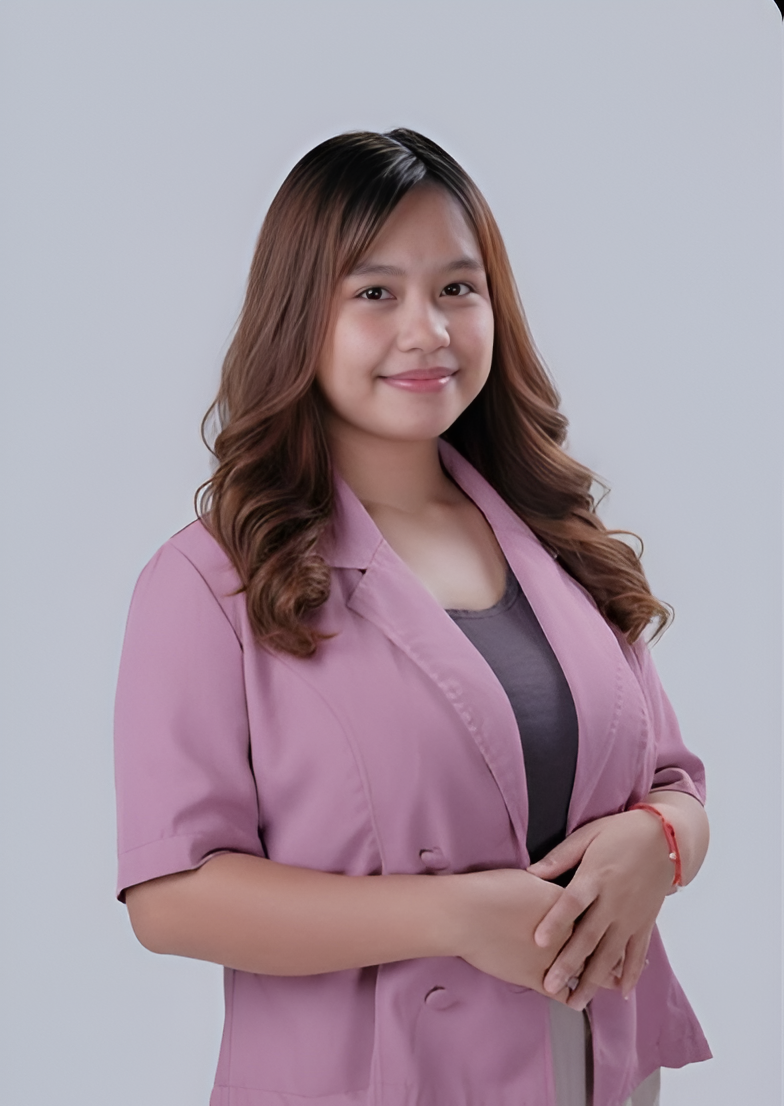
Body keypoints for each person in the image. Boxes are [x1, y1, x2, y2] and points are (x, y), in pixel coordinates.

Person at [114, 129, 711, 1106]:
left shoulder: (554, 538)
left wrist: (663, 838)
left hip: (599, 1070)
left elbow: (672, 781)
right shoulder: (211, 580)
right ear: (300, 314)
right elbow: (171, 896)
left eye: (456, 289)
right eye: (375, 292)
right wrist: (454, 915)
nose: (427, 329)